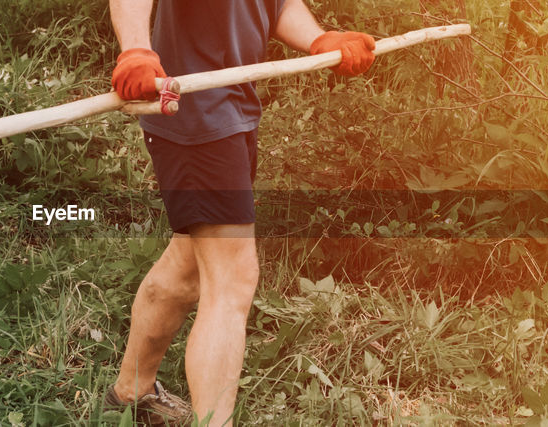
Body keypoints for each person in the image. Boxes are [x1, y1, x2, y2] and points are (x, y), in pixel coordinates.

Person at [104, 0, 375, 425]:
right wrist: (136, 50)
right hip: (193, 113)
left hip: (233, 111)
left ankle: (129, 394)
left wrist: (320, 40)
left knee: (189, 263)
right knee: (233, 277)